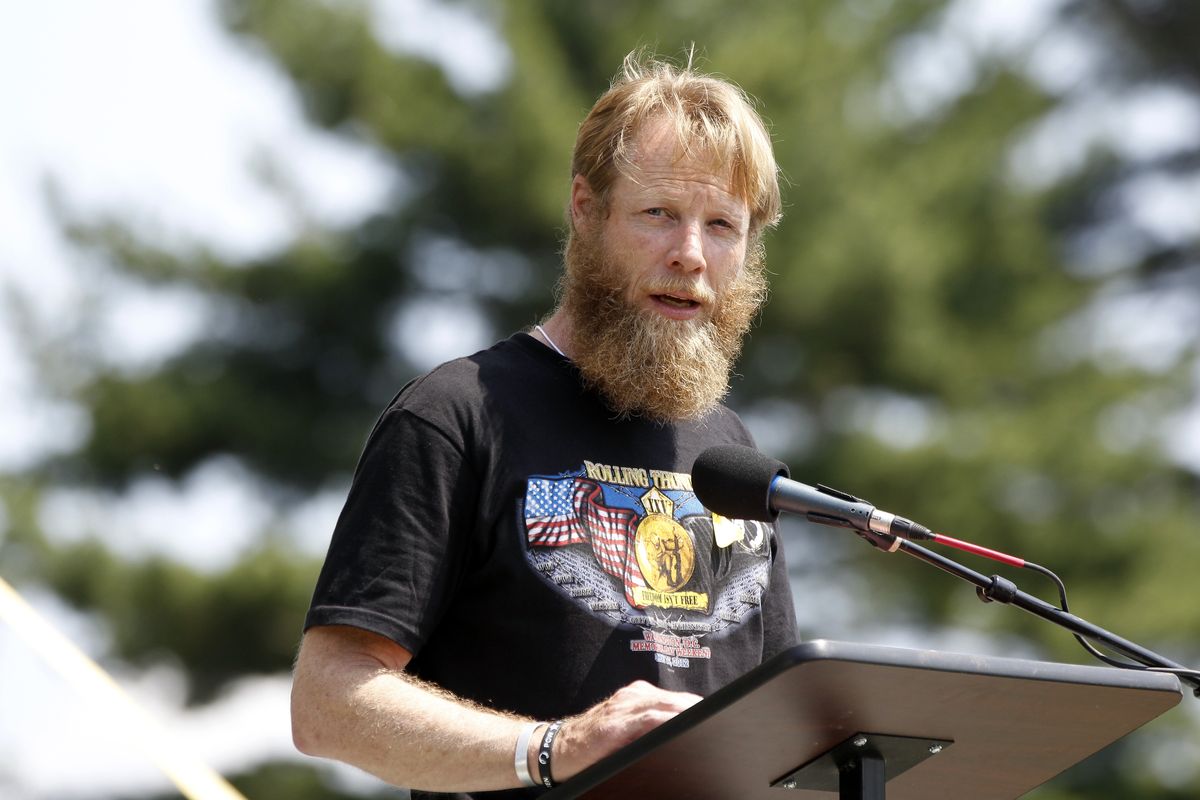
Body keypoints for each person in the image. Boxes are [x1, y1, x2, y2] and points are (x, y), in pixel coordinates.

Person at [291, 51, 799, 799]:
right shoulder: (456, 415)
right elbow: (327, 704)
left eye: (722, 225)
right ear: (584, 209)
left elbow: (785, 741)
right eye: (658, 214)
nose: (690, 254)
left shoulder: (734, 456)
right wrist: (553, 748)